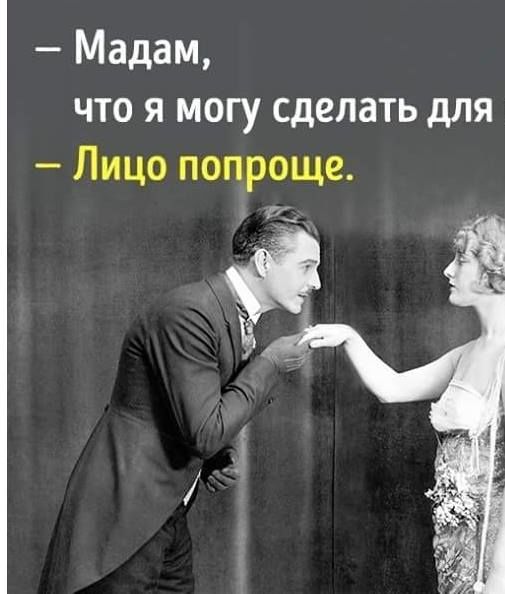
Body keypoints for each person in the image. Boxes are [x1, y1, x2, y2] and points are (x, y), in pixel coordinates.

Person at [39, 205, 321, 593]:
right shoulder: (191, 312)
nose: (316, 282)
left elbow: (190, 411)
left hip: (166, 513)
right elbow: (205, 431)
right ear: (263, 261)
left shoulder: (225, 313)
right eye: (307, 267)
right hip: (125, 520)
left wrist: (215, 458)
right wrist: (270, 363)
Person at [301, 214, 505, 594]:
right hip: (459, 545)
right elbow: (392, 387)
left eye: (461, 260)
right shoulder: (470, 352)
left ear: (492, 271)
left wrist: (502, 573)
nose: (448, 269)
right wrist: (349, 337)